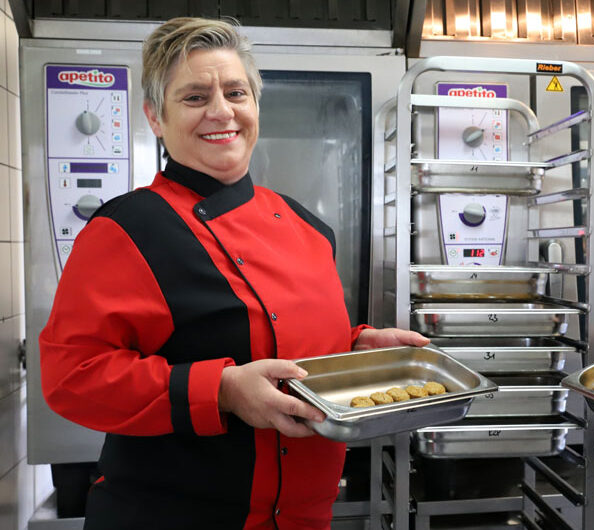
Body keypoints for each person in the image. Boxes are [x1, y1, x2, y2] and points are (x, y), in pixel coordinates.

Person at [38, 17, 428, 529]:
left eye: (235, 92)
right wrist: (219, 389)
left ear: (255, 106)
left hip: (305, 517)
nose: (221, 111)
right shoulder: (126, 229)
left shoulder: (309, 228)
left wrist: (355, 348)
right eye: (195, 97)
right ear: (155, 117)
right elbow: (71, 378)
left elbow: (280, 332)